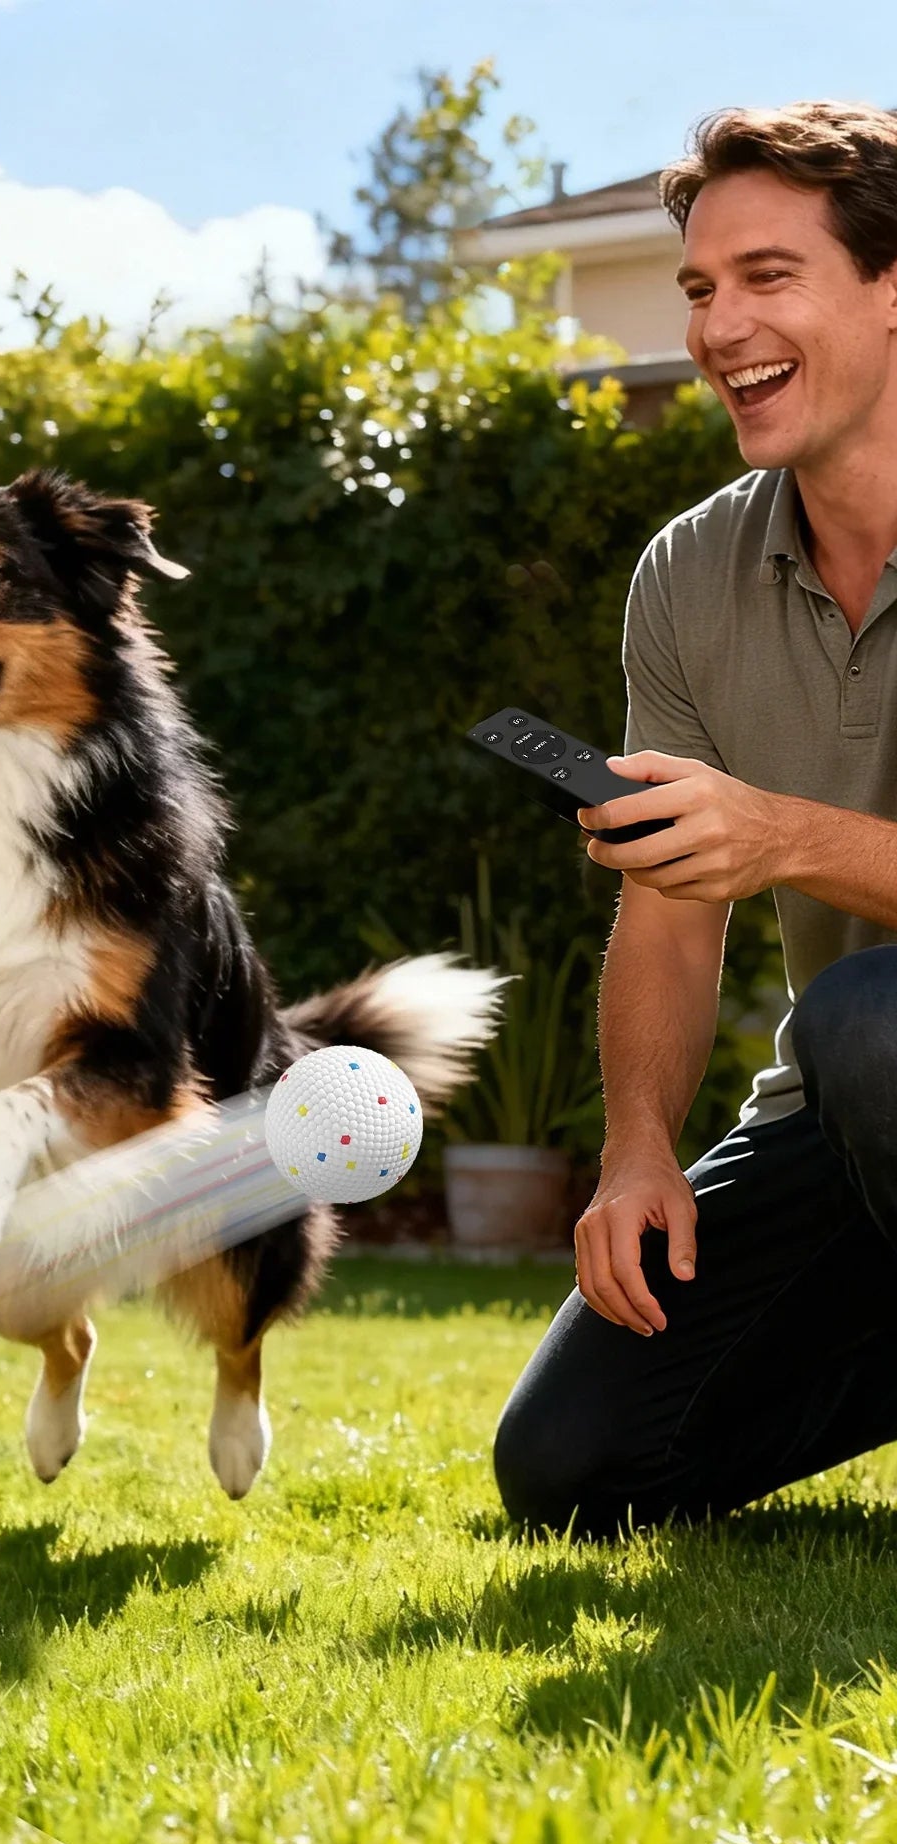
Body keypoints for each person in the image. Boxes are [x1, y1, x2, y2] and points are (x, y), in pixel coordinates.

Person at [492, 101, 897, 1535]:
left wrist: (784, 836)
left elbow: (758, 849)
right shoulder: (690, 574)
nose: (721, 326)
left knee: (871, 1017)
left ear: (894, 285)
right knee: (573, 1470)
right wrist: (638, 1152)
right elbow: (669, 902)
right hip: (860, 1121)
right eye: (700, 289)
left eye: (769, 277)